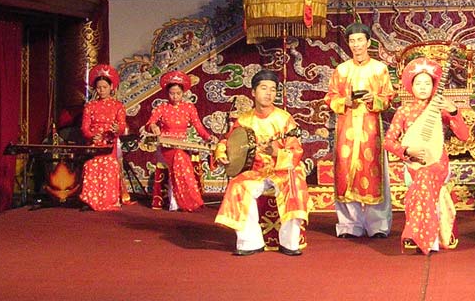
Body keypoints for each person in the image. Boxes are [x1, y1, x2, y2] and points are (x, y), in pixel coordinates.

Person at [215, 70, 309, 256]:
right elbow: (227, 141)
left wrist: (277, 152)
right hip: (255, 170)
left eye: (273, 90)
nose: (269, 93)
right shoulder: (244, 120)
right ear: (253, 92)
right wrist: (222, 153)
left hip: (280, 169)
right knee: (238, 185)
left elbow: (296, 149)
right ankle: (250, 242)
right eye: (264, 88)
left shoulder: (284, 119)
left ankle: (290, 243)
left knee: (294, 185)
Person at [384, 57, 470, 255]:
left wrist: (454, 111)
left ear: (434, 86)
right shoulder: (403, 111)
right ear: (411, 86)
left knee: (425, 176)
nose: (423, 88)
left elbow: (464, 136)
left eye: (427, 83)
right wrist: (407, 151)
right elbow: (388, 142)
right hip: (413, 164)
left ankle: (422, 237)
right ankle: (425, 237)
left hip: (438, 163)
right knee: (422, 175)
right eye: (418, 83)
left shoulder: (440, 108)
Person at [325, 21, 395, 238]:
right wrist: (345, 100)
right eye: (352, 41)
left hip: (370, 129)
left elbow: (388, 98)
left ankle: (378, 225)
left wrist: (373, 99)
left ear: (368, 42)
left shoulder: (379, 69)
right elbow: (330, 98)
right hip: (346, 129)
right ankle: (349, 225)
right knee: (345, 174)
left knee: (374, 174)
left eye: (360, 40)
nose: (356, 45)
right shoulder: (341, 70)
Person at [145, 70, 213, 212]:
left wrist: (208, 137)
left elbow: (198, 126)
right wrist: (153, 127)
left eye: (178, 93)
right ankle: (187, 201)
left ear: (183, 93)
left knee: (182, 157)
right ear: (167, 93)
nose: (175, 96)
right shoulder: (162, 107)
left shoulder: (189, 107)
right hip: (166, 146)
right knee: (180, 158)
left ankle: (189, 200)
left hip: (182, 144)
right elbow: (150, 123)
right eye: (172, 93)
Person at [80, 64, 128, 211]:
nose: (101, 90)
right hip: (95, 143)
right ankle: (91, 200)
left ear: (111, 87)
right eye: (99, 87)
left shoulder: (118, 106)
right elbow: (84, 128)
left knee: (110, 166)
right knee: (91, 166)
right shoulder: (90, 106)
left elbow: (122, 125)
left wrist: (116, 129)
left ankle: (109, 201)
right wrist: (91, 136)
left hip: (109, 142)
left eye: (104, 87)